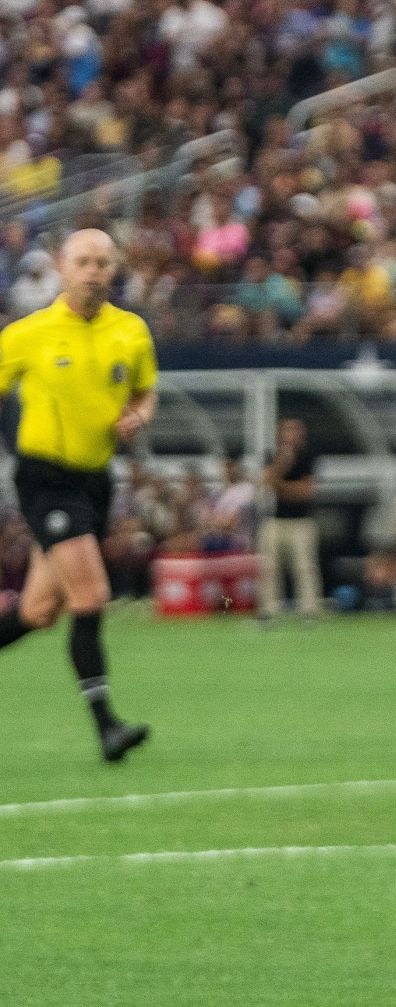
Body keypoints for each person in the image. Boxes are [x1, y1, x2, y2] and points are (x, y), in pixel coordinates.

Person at [0, 229, 154, 761]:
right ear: (62, 269)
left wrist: (138, 414)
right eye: (83, 261)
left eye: (102, 262)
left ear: (115, 270)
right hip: (45, 478)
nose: (93, 271)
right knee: (91, 596)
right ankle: (108, 727)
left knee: (39, 612)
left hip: (95, 479)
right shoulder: (29, 334)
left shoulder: (131, 331)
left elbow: (144, 389)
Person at [259, 416, 322, 621]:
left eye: (294, 430)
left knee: (304, 568)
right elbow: (266, 481)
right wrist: (283, 462)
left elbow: (304, 492)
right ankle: (268, 611)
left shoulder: (308, 456)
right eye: (286, 430)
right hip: (275, 520)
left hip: (301, 521)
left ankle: (309, 610)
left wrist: (280, 486)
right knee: (268, 567)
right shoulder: (273, 455)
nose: (290, 435)